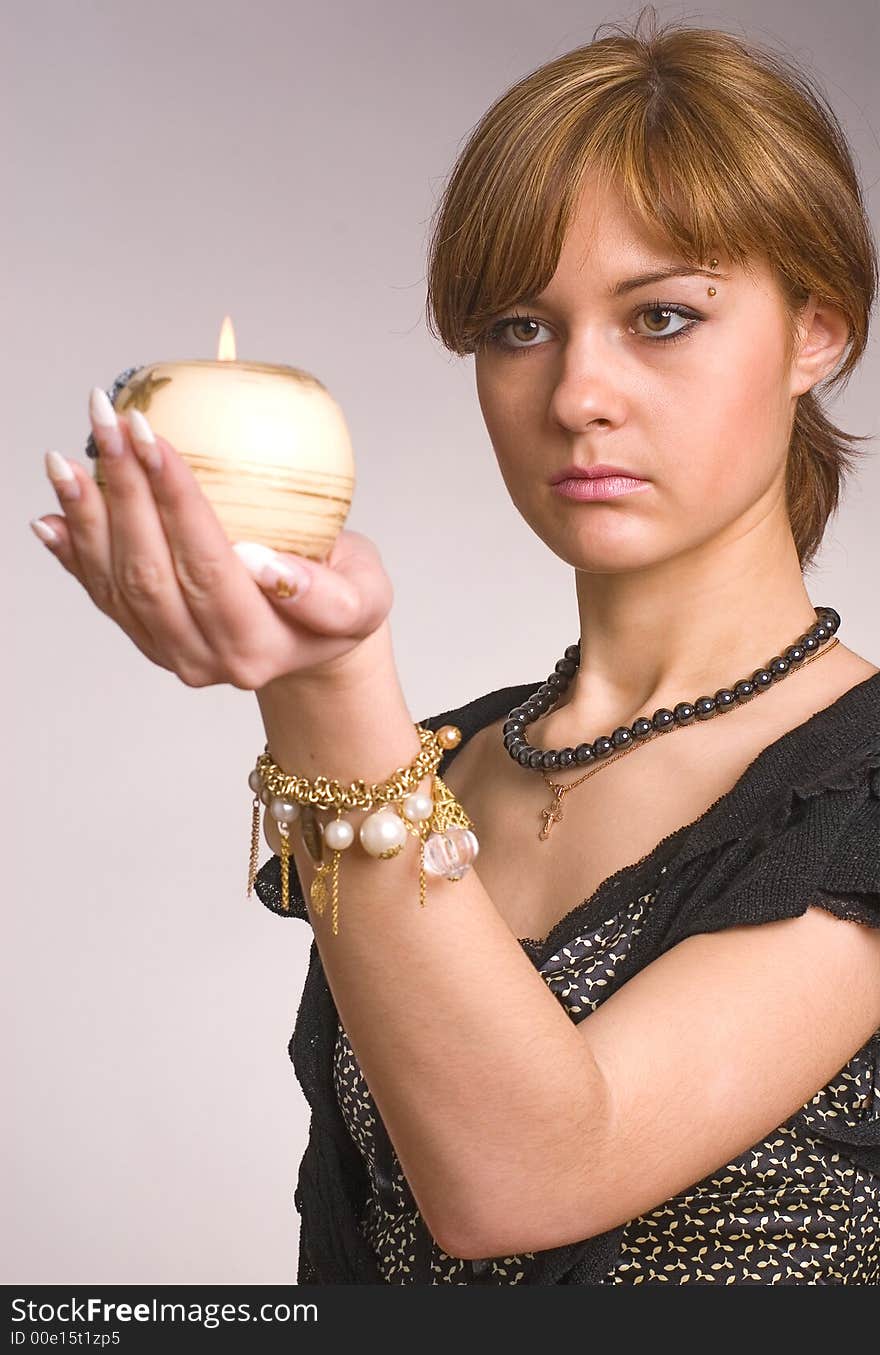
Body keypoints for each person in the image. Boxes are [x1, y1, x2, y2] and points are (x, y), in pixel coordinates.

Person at [33, 7, 880, 1285]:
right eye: (518, 328)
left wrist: (326, 682)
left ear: (816, 330)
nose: (577, 393)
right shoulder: (443, 758)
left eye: (661, 317)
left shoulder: (856, 795)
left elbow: (526, 1173)